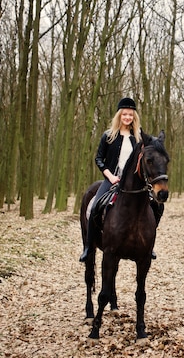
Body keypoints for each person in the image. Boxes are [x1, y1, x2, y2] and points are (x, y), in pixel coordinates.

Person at [79, 97, 142, 262]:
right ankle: (88, 246)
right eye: (125, 114)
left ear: (134, 117)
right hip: (112, 178)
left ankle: (148, 245)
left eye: (130, 114)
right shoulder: (108, 136)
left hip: (133, 182)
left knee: (154, 207)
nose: (127, 117)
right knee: (93, 209)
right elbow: (99, 159)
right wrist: (111, 176)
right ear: (119, 115)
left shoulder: (139, 137)